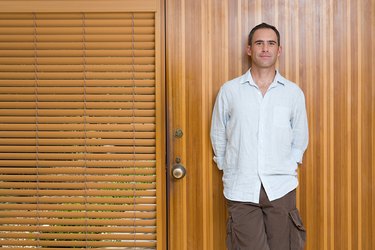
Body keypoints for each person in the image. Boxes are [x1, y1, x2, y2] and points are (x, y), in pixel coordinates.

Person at [210, 23, 309, 250]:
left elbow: (300, 136)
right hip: (241, 187)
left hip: (281, 187)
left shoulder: (293, 93)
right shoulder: (230, 90)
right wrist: (229, 166)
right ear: (249, 49)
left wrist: (289, 164)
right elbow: (218, 133)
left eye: (271, 43)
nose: (265, 48)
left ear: (279, 50)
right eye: (259, 43)